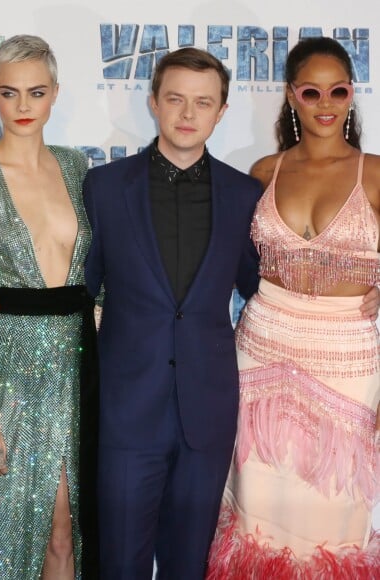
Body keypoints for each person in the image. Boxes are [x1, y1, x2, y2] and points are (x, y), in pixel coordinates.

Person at [79, 47, 263, 579]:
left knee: (189, 568)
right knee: (120, 566)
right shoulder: (105, 188)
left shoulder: (245, 194)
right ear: (154, 103)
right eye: (176, 99)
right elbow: (77, 290)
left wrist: (357, 292)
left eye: (203, 103)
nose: (188, 114)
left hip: (207, 413)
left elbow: (262, 289)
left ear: (221, 111)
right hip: (126, 413)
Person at [207, 37, 380, 578]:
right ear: (290, 96)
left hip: (347, 360)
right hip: (261, 351)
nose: (325, 103)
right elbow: (222, 264)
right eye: (311, 91)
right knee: (256, 511)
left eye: (338, 90)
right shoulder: (263, 172)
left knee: (332, 518)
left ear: (352, 95)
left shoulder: (374, 173)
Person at [0, 35, 97, 580]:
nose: (24, 107)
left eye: (36, 92)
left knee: (65, 531)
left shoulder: (79, 168)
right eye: (10, 93)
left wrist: (100, 310)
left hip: (76, 371)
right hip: (4, 371)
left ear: (55, 93)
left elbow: (96, 266)